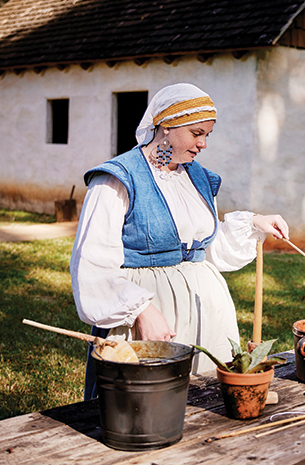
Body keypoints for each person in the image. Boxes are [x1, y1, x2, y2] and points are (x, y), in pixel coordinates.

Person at [70, 83, 289, 399]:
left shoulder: (197, 177)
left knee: (208, 407)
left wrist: (254, 224)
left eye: (207, 135)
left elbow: (202, 249)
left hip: (207, 314)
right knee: (148, 406)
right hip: (151, 313)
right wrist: (141, 310)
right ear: (167, 126)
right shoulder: (117, 179)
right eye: (196, 133)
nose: (203, 144)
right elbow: (91, 263)